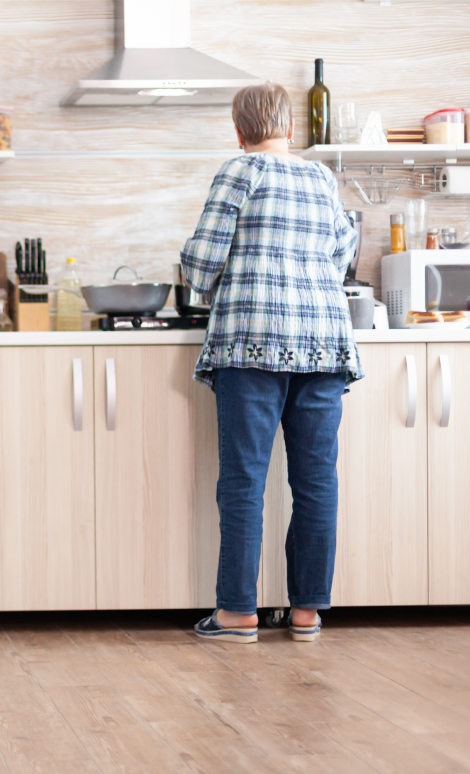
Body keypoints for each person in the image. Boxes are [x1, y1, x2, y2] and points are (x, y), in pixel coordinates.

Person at [180, 83, 360, 645]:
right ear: (289, 128)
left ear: (239, 130)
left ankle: (237, 612)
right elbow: (340, 254)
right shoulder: (321, 177)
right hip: (324, 342)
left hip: (253, 343)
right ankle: (306, 612)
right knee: (315, 482)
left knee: (244, 481)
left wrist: (196, 273)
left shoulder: (239, 170)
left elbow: (202, 263)